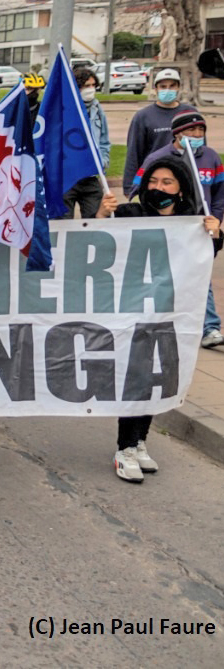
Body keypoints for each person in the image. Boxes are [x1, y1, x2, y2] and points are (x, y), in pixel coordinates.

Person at [96, 158, 221, 481]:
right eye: (153, 181)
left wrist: (215, 234)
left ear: (181, 189)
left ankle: (139, 441)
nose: (158, 188)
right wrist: (100, 214)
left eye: (167, 182)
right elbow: (96, 242)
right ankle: (124, 448)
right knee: (136, 378)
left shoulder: (191, 223)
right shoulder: (129, 215)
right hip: (132, 313)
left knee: (155, 379)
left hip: (170, 316)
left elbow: (206, 256)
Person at [132, 108, 224, 348]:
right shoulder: (159, 158)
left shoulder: (211, 157)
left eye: (200, 129)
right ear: (177, 134)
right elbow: (137, 189)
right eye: (190, 130)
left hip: (197, 228)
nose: (196, 133)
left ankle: (210, 327)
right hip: (166, 226)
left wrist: (215, 220)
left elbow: (219, 194)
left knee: (200, 276)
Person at [123, 68, 195, 197]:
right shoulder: (143, 116)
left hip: (185, 178)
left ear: (178, 87)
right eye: (163, 86)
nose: (167, 90)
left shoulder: (190, 113)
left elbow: (201, 148)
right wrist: (129, 186)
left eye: (172, 86)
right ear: (156, 89)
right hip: (155, 180)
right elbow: (134, 152)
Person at [61, 67, 111, 221]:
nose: (91, 90)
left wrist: (103, 161)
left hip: (90, 175)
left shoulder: (97, 109)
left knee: (95, 218)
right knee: (62, 221)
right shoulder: (64, 109)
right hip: (67, 176)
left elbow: (104, 140)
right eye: (86, 86)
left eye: (93, 86)